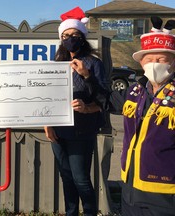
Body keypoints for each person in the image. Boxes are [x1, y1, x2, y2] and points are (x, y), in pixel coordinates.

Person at [76, 16, 175, 216]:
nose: (154, 64)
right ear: (141, 62)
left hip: (166, 192)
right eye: (149, 59)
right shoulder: (134, 92)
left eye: (161, 59)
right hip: (130, 187)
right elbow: (107, 100)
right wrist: (87, 76)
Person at [43, 7, 110, 216]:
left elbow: (104, 99)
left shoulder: (93, 63)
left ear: (82, 37)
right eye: (65, 36)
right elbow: (47, 96)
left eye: (74, 35)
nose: (70, 39)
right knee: (66, 178)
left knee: (81, 179)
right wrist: (47, 124)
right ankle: (71, 213)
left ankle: (90, 213)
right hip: (58, 131)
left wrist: (86, 76)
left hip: (82, 131)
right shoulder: (57, 64)